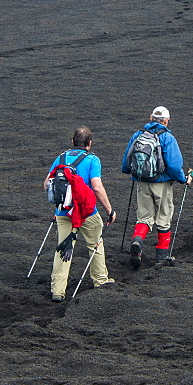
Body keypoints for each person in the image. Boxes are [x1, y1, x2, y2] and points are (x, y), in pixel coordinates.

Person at [46, 127, 117, 302]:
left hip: (63, 212)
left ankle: (57, 290)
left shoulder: (60, 158)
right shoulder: (92, 160)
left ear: (72, 142)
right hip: (87, 212)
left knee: (63, 248)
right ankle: (100, 280)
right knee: (95, 245)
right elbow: (97, 188)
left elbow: (47, 184)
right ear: (89, 144)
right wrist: (109, 210)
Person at [121, 106, 191, 267]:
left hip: (141, 182)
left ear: (151, 117)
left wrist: (131, 173)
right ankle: (161, 258)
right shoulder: (167, 137)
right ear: (166, 121)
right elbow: (174, 165)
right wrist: (183, 179)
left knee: (144, 217)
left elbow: (127, 161)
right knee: (163, 219)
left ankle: (137, 242)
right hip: (162, 184)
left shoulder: (138, 135)